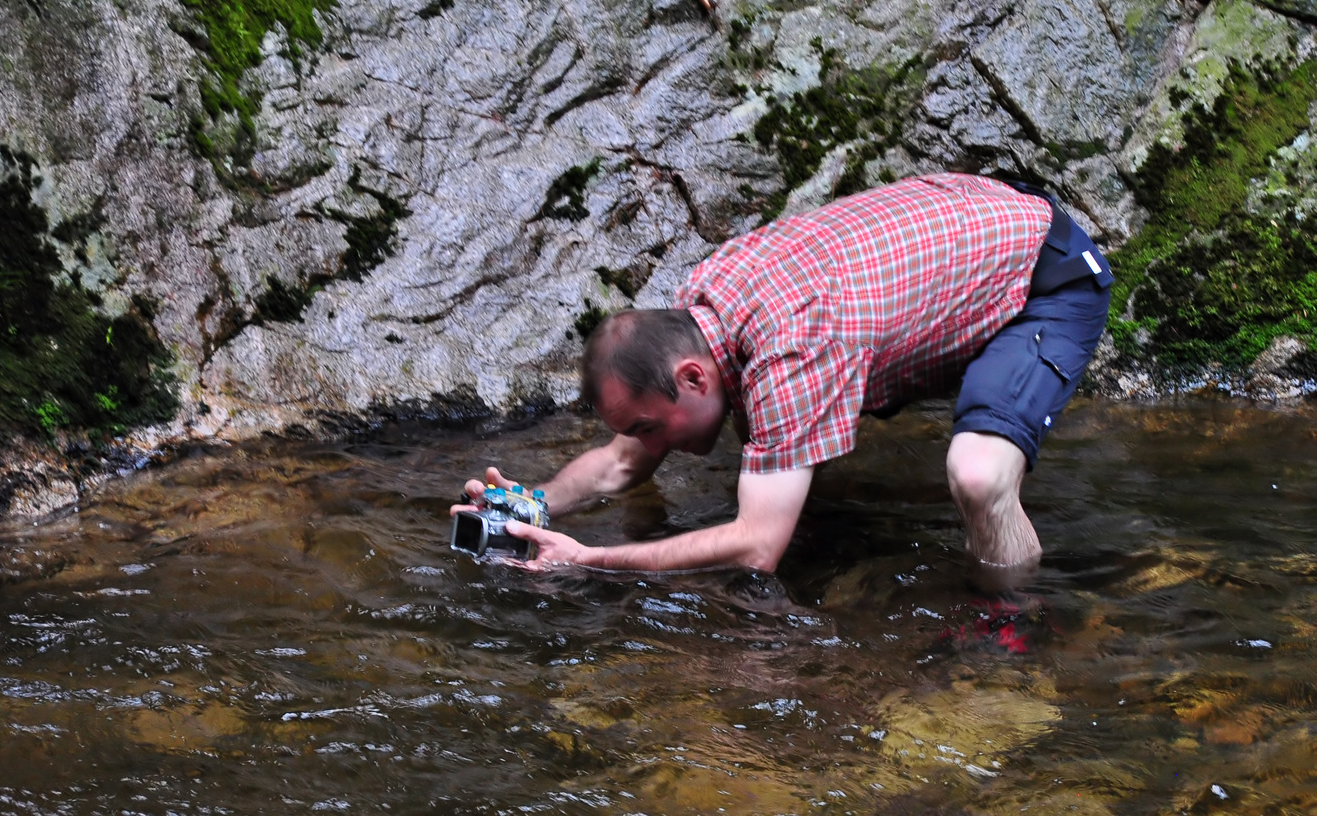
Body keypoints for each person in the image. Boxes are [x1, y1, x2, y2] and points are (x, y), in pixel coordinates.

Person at [453, 172, 1112, 585]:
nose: (648, 445)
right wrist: (531, 510)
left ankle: (1013, 627)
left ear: (691, 377)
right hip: (963, 228)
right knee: (799, 485)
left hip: (1041, 282)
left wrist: (587, 559)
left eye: (650, 427)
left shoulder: (791, 348)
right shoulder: (703, 313)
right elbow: (619, 466)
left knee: (978, 475)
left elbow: (756, 549)